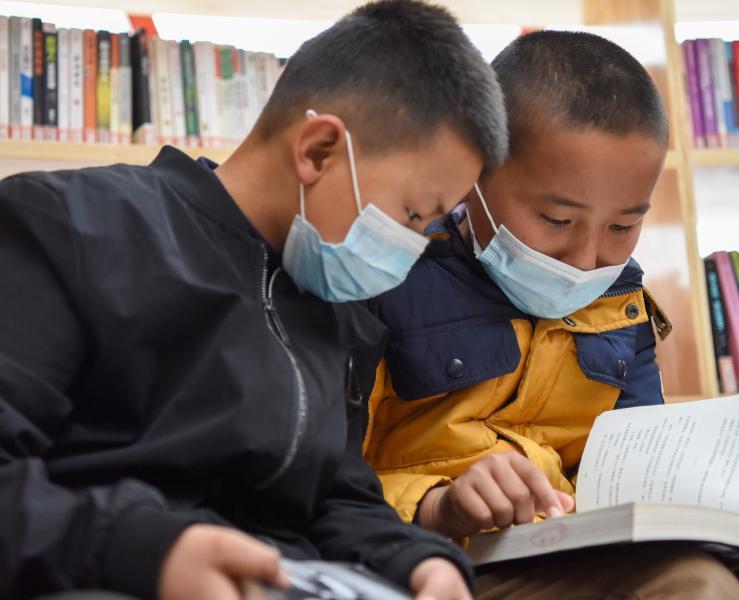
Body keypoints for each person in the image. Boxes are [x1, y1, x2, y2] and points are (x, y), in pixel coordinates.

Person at [0, 2, 508, 599]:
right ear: (318, 150)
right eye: (412, 214)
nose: (412, 246)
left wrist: (418, 563)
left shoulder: (342, 309)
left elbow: (335, 495)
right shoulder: (67, 225)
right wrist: (144, 551)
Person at [363, 31, 739, 599]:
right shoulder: (384, 277)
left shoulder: (623, 301)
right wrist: (439, 506)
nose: (586, 259)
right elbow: (326, 485)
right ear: (474, 170)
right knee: (698, 589)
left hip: (594, 548)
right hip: (447, 555)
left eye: (623, 226)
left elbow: (642, 484)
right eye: (557, 220)